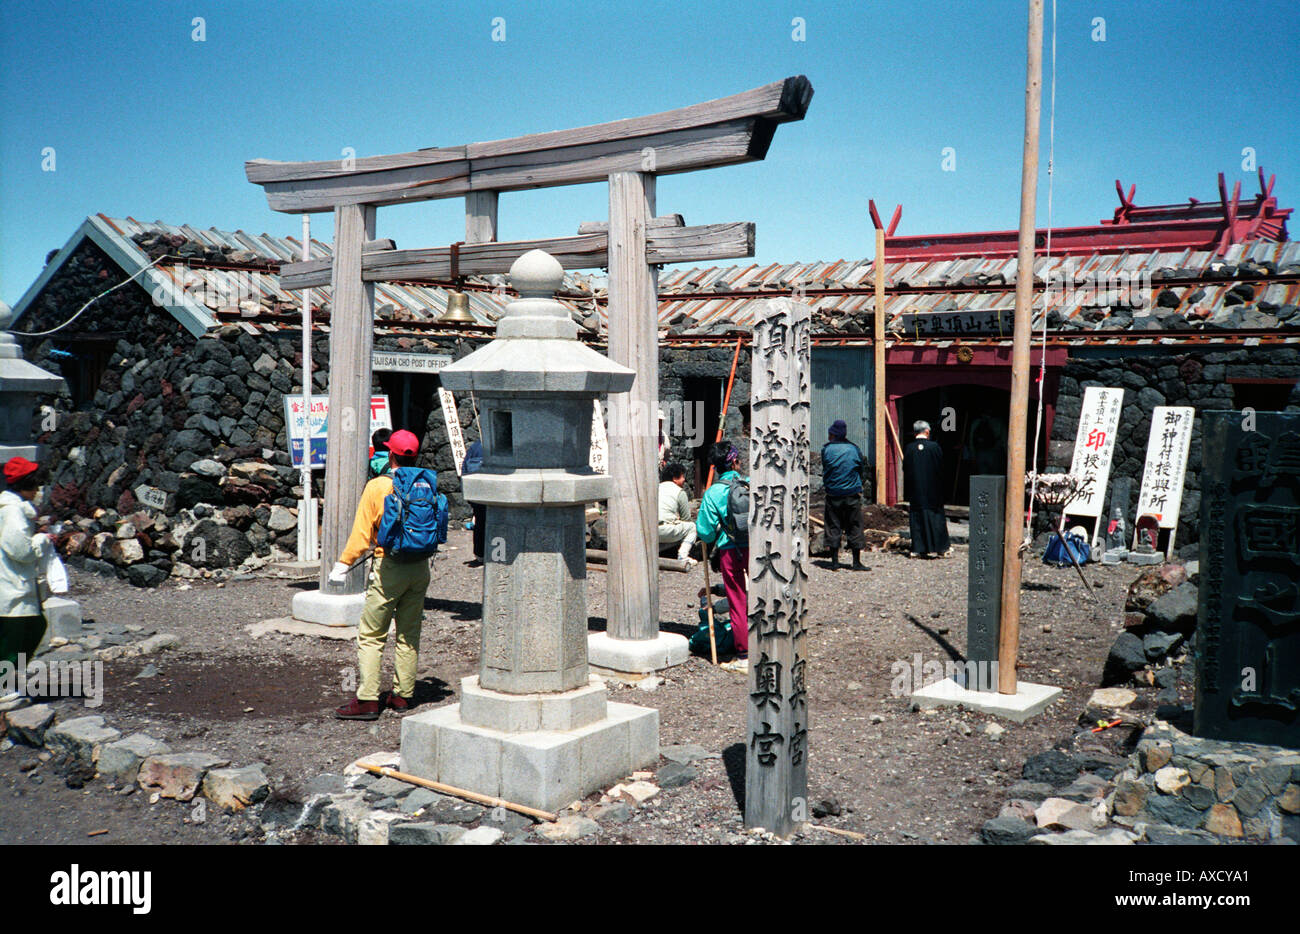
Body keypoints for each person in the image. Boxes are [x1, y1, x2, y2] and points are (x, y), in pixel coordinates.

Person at [331, 429, 432, 720]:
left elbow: (362, 534)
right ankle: (402, 696)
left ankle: (367, 700)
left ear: (390, 454)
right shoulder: (426, 483)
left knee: (372, 634)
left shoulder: (377, 486)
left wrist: (343, 564)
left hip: (389, 566)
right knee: (409, 633)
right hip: (420, 566)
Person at [696, 442, 749, 673]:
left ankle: (744, 656)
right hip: (759, 548)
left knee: (737, 601)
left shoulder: (713, 492)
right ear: (735, 462)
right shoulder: (750, 484)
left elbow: (705, 532)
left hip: (730, 551)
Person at [1, 457, 49, 682]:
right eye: (35, 486)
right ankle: (4, 685)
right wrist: (41, 540)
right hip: (12, 584)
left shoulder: (12, 509)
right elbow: (21, 550)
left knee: (32, 626)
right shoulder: (13, 512)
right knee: (19, 633)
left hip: (12, 582)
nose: (38, 490)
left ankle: (9, 680)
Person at [821, 419, 868, 571]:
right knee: (854, 526)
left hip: (833, 494)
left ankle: (834, 562)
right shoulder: (854, 449)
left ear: (833, 434)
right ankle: (856, 562)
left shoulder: (826, 450)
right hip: (852, 494)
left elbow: (826, 468)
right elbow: (861, 470)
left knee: (833, 525)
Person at [903, 420, 951, 558]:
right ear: (927, 432)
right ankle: (940, 547)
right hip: (933, 489)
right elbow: (942, 468)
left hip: (916, 489)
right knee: (935, 516)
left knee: (917, 517)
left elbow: (905, 469)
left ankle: (918, 548)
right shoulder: (934, 447)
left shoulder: (909, 448)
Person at [657, 462, 698, 566]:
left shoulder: (656, 488)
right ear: (675, 478)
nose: (684, 479)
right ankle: (683, 556)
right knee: (692, 527)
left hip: (649, 530)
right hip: (665, 531)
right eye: (682, 476)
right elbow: (686, 519)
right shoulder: (679, 492)